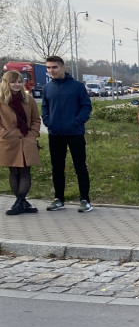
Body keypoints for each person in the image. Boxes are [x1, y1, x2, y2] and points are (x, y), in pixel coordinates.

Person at [40, 55, 93, 212]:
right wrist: (48, 122)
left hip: (75, 133)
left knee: (80, 167)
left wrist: (76, 122)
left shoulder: (77, 87)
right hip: (55, 134)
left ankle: (85, 200)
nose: (51, 71)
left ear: (63, 67)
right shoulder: (47, 88)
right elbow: (45, 107)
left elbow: (86, 107)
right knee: (57, 168)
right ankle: (58, 199)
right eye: (48, 68)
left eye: (54, 67)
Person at [0, 70, 42, 215]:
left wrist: (33, 134)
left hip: (27, 141)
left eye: (19, 81)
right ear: (6, 83)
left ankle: (19, 203)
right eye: (13, 82)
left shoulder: (28, 99)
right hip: (8, 141)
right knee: (13, 171)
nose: (17, 84)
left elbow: (36, 119)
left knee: (25, 171)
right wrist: (5, 133)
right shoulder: (1, 100)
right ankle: (22, 203)